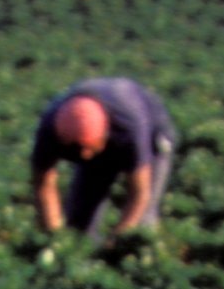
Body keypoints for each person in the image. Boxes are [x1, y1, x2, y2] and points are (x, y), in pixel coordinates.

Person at [30, 76, 178, 239]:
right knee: (78, 220)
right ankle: (86, 254)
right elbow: (43, 185)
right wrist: (54, 235)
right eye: (78, 149)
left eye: (89, 149)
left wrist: (117, 239)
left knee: (140, 224)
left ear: (105, 134)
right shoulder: (50, 129)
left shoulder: (129, 125)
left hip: (152, 136)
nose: (84, 156)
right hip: (102, 136)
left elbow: (140, 193)